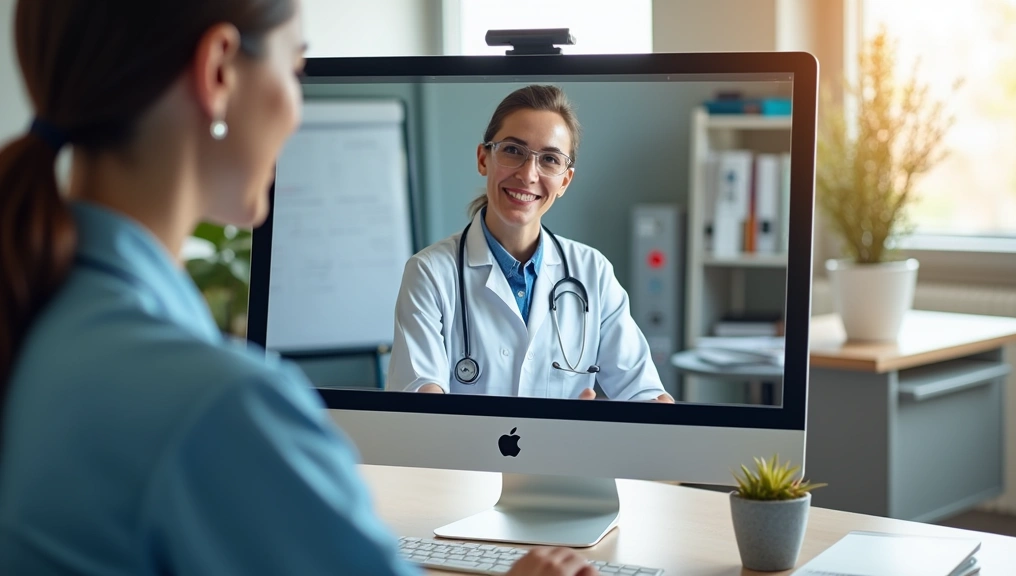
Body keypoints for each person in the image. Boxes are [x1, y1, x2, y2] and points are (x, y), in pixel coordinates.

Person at [0, 2, 597, 575]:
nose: (297, 110)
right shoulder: (222, 406)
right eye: (296, 70)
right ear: (218, 72)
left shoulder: (35, 317)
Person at [387, 85, 674, 403]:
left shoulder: (593, 272)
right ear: (483, 159)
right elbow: (420, 402)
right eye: (513, 150)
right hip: (459, 442)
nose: (528, 175)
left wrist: (629, 417)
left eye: (549, 159)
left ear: (565, 181)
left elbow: (643, 392)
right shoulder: (429, 273)